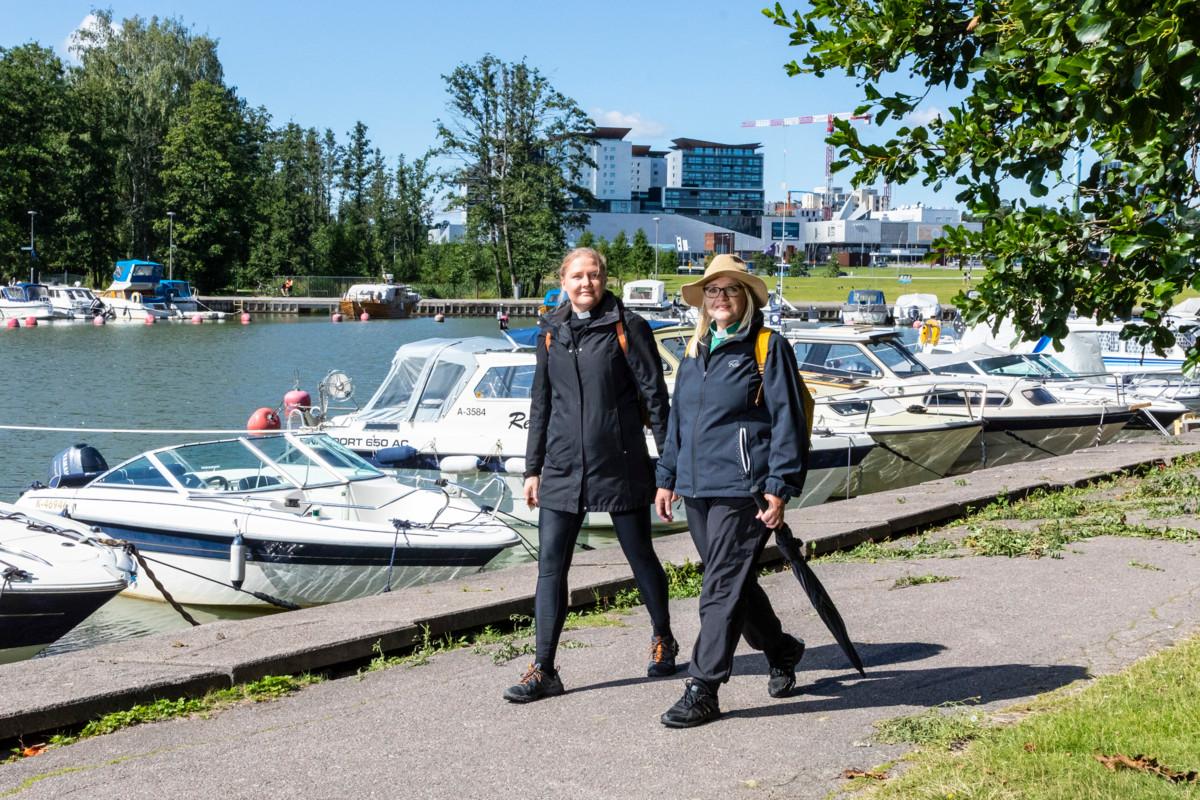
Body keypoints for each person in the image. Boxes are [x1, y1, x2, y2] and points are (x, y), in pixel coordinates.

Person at [504, 247, 678, 703]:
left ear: (605, 279)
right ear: (563, 280)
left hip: (619, 464)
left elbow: (656, 401)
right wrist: (532, 468)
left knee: (640, 556)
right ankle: (544, 668)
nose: (587, 283)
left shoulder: (628, 327)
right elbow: (541, 404)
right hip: (561, 467)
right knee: (549, 568)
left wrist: (668, 470)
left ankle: (664, 637)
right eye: (578, 276)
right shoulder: (550, 331)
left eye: (595, 275)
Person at [654, 253, 810, 728]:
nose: (720, 298)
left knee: (719, 587)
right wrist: (667, 476)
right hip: (698, 488)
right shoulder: (694, 351)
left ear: (746, 299)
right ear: (704, 300)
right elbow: (678, 421)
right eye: (713, 291)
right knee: (734, 582)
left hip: (746, 489)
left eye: (731, 290)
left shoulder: (767, 346)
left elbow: (788, 420)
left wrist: (780, 487)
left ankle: (703, 688)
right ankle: (782, 649)